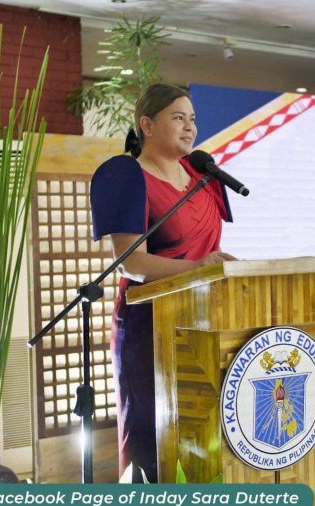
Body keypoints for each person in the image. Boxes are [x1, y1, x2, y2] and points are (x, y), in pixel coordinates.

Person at [89, 84, 236, 482]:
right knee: (152, 440)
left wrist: (214, 268)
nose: (190, 127)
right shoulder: (128, 176)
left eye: (193, 119)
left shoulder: (203, 176)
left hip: (204, 320)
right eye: (178, 118)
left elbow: (208, 249)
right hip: (148, 327)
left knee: (202, 438)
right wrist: (198, 268)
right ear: (147, 125)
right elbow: (130, 262)